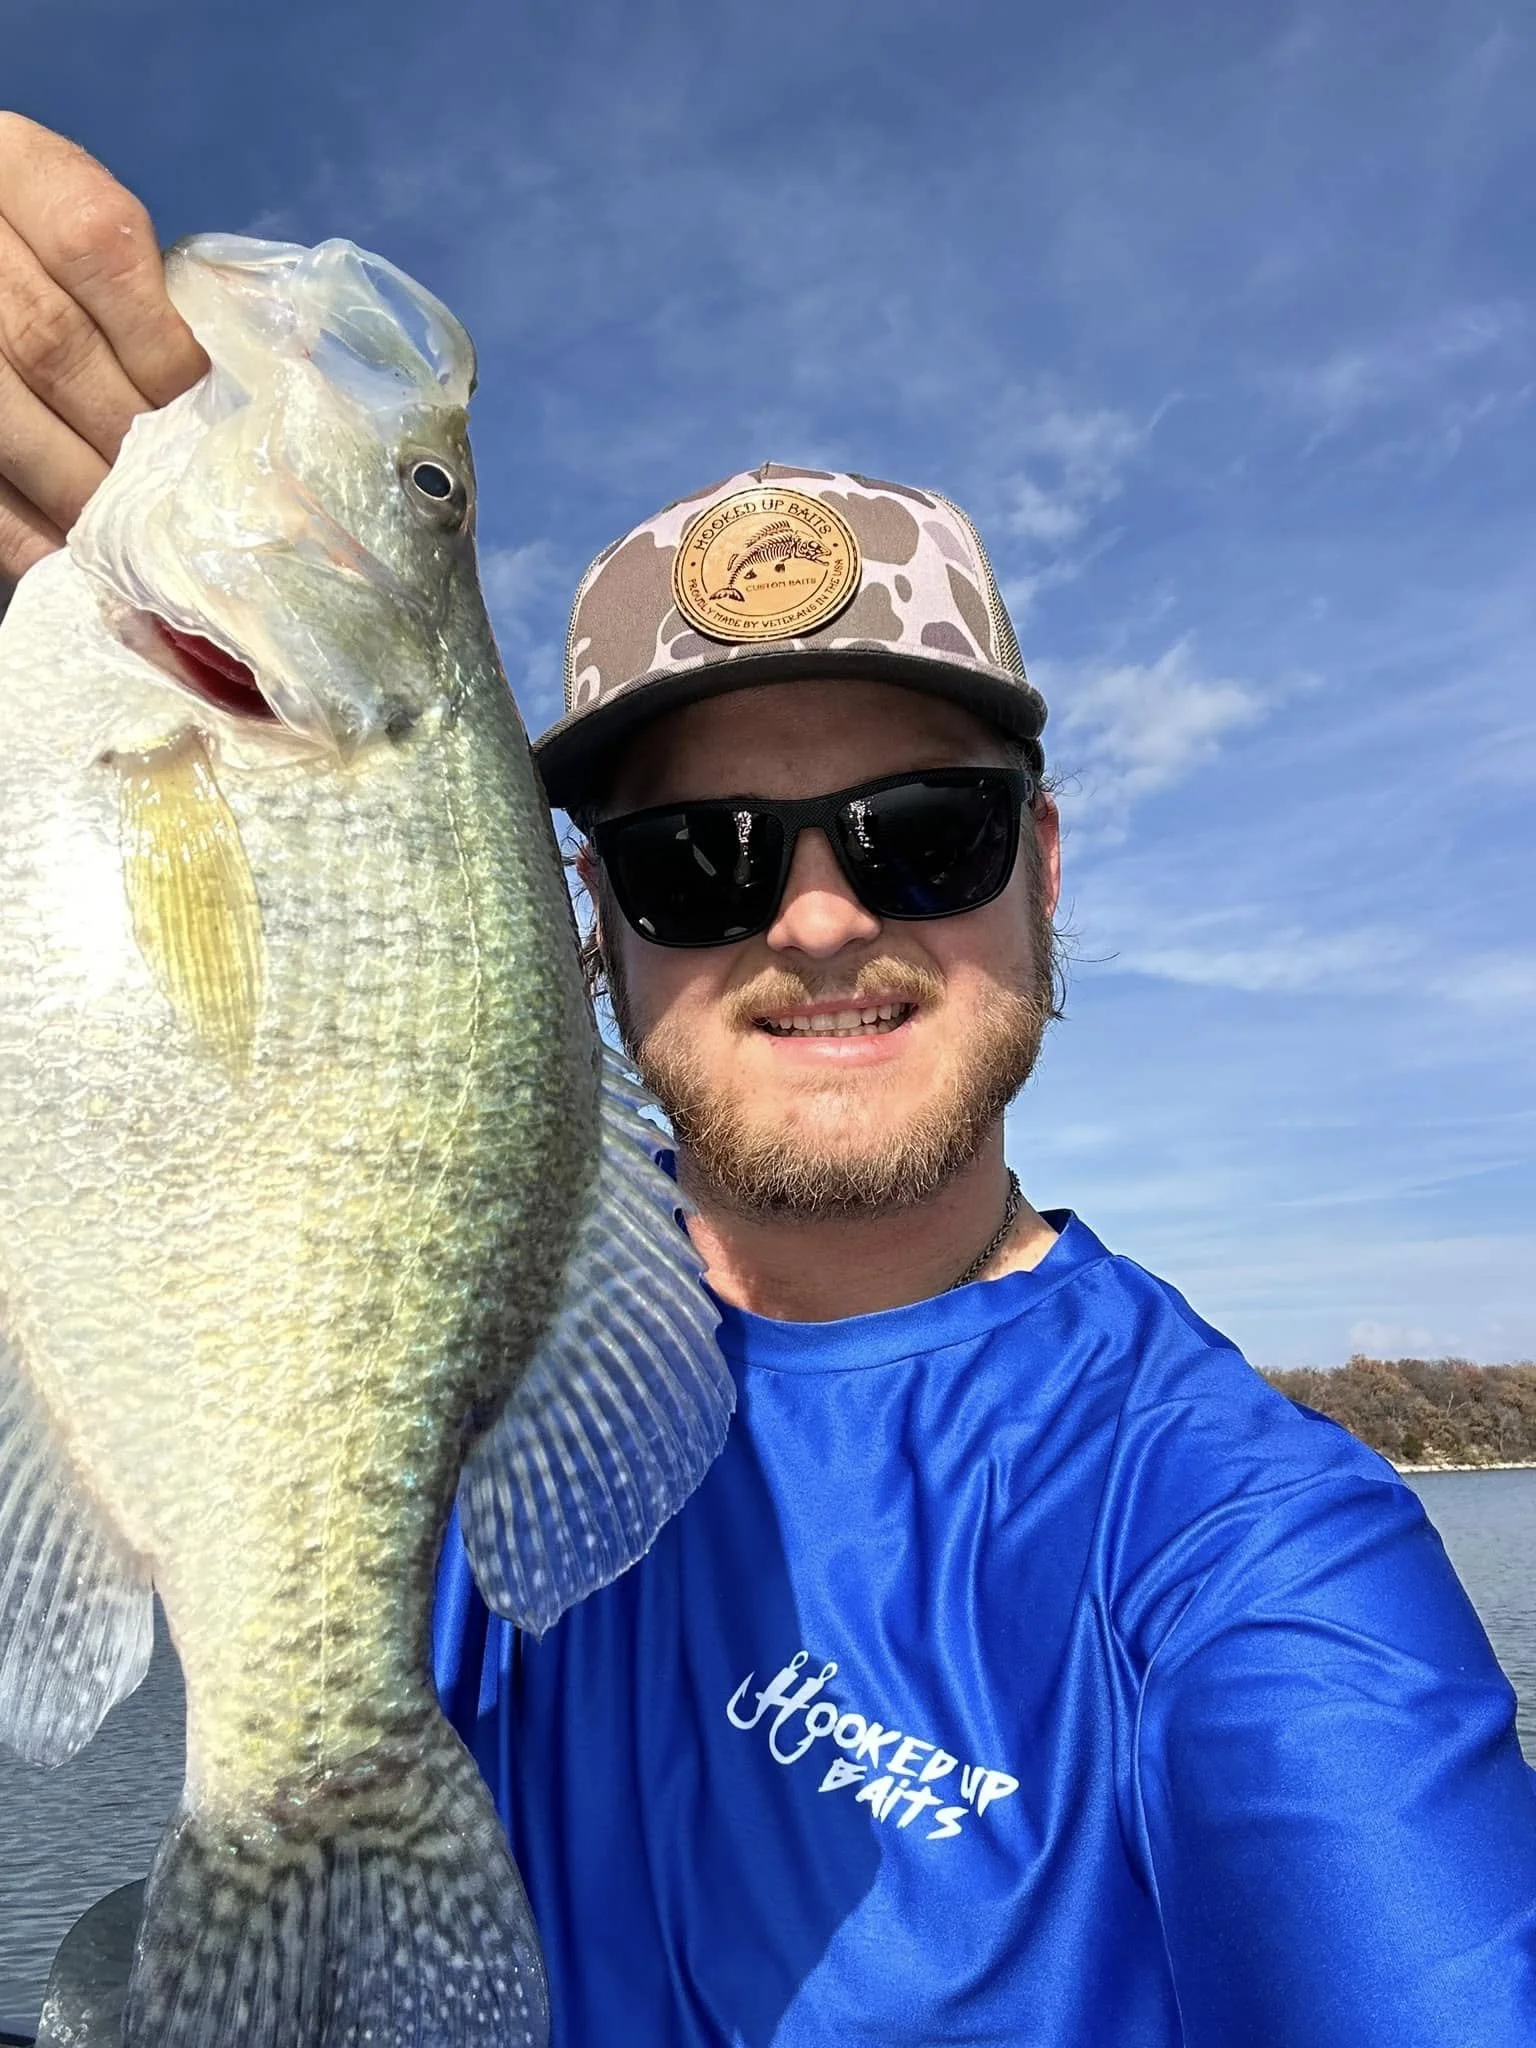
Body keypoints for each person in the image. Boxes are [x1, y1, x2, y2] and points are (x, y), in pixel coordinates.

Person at [2, 111, 1535, 2048]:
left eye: (923, 832)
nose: (813, 919)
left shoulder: (1246, 1559)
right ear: (585, 923)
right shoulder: (480, 1396)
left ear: (1043, 869)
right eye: (696, 857)